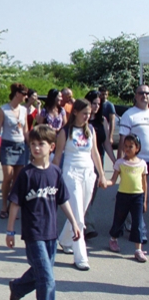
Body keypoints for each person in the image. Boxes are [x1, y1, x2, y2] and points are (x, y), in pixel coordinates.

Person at [6, 125, 80, 300]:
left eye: (41, 144)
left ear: (52, 147)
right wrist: (10, 231)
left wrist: (74, 222)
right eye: (33, 144)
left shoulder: (55, 172)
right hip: (33, 234)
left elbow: (63, 200)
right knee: (47, 277)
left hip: (51, 233)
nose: (36, 148)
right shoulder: (26, 174)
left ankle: (17, 288)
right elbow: (15, 203)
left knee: (40, 272)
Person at [52, 99, 107, 271]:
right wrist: (51, 177)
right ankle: (81, 256)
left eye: (89, 114)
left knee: (79, 212)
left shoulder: (90, 130)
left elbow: (95, 153)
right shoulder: (65, 132)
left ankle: (65, 239)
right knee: (79, 218)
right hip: (71, 174)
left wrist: (102, 175)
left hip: (88, 174)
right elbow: (57, 157)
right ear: (75, 112)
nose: (87, 117)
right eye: (84, 113)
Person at [0, 83, 29, 219]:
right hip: (8, 145)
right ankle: (4, 205)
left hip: (21, 145)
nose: (26, 97)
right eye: (24, 94)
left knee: (17, 179)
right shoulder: (3, 109)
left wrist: (31, 146)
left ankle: (12, 206)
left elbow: (26, 130)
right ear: (17, 94)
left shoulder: (24, 110)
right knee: (8, 177)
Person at [107, 133, 148, 262]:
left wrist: (144, 200)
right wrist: (105, 182)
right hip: (123, 196)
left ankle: (138, 250)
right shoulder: (120, 163)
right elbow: (113, 180)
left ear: (137, 148)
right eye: (125, 146)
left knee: (137, 222)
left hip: (137, 197)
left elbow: (144, 184)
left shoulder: (142, 164)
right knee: (119, 219)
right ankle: (113, 239)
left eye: (131, 146)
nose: (127, 149)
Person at [117, 84, 149, 240]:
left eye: (147, 93)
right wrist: (120, 161)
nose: (144, 96)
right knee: (137, 194)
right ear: (136, 96)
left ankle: (136, 223)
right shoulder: (129, 115)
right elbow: (123, 140)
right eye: (141, 93)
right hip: (136, 162)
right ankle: (138, 228)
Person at [83, 90, 116, 240]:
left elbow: (106, 144)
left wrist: (115, 161)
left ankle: (83, 222)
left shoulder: (102, 120)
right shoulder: (82, 120)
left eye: (98, 104)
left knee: (91, 194)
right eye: (93, 103)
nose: (96, 106)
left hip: (98, 161)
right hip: (84, 161)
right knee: (84, 194)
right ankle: (87, 225)